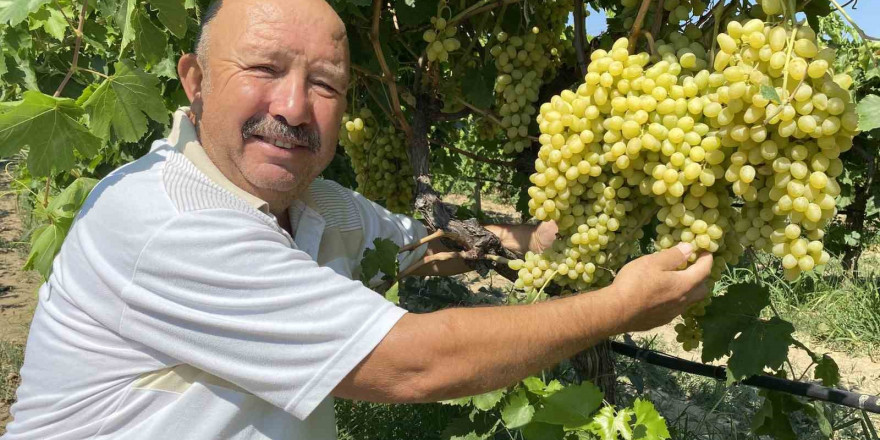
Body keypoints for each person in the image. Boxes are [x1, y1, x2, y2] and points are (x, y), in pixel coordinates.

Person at [2, 0, 712, 438]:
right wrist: (618, 305)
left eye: (325, 84)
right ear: (194, 80)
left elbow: (426, 247)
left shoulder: (318, 205)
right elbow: (413, 364)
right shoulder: (167, 220)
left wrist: (580, 220)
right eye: (264, 68)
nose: (291, 106)